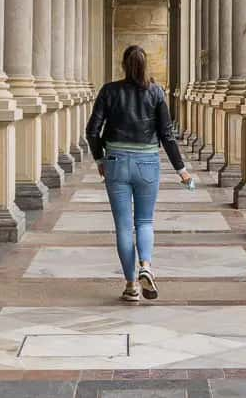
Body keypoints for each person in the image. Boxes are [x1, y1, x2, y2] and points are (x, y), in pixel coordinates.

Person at [86, 45, 192, 303]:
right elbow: (167, 135)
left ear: (123, 65)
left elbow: (92, 131)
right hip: (147, 162)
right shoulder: (156, 92)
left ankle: (131, 285)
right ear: (146, 65)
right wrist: (182, 170)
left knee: (123, 226)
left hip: (116, 161)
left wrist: (100, 158)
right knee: (144, 222)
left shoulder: (109, 91)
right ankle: (146, 265)